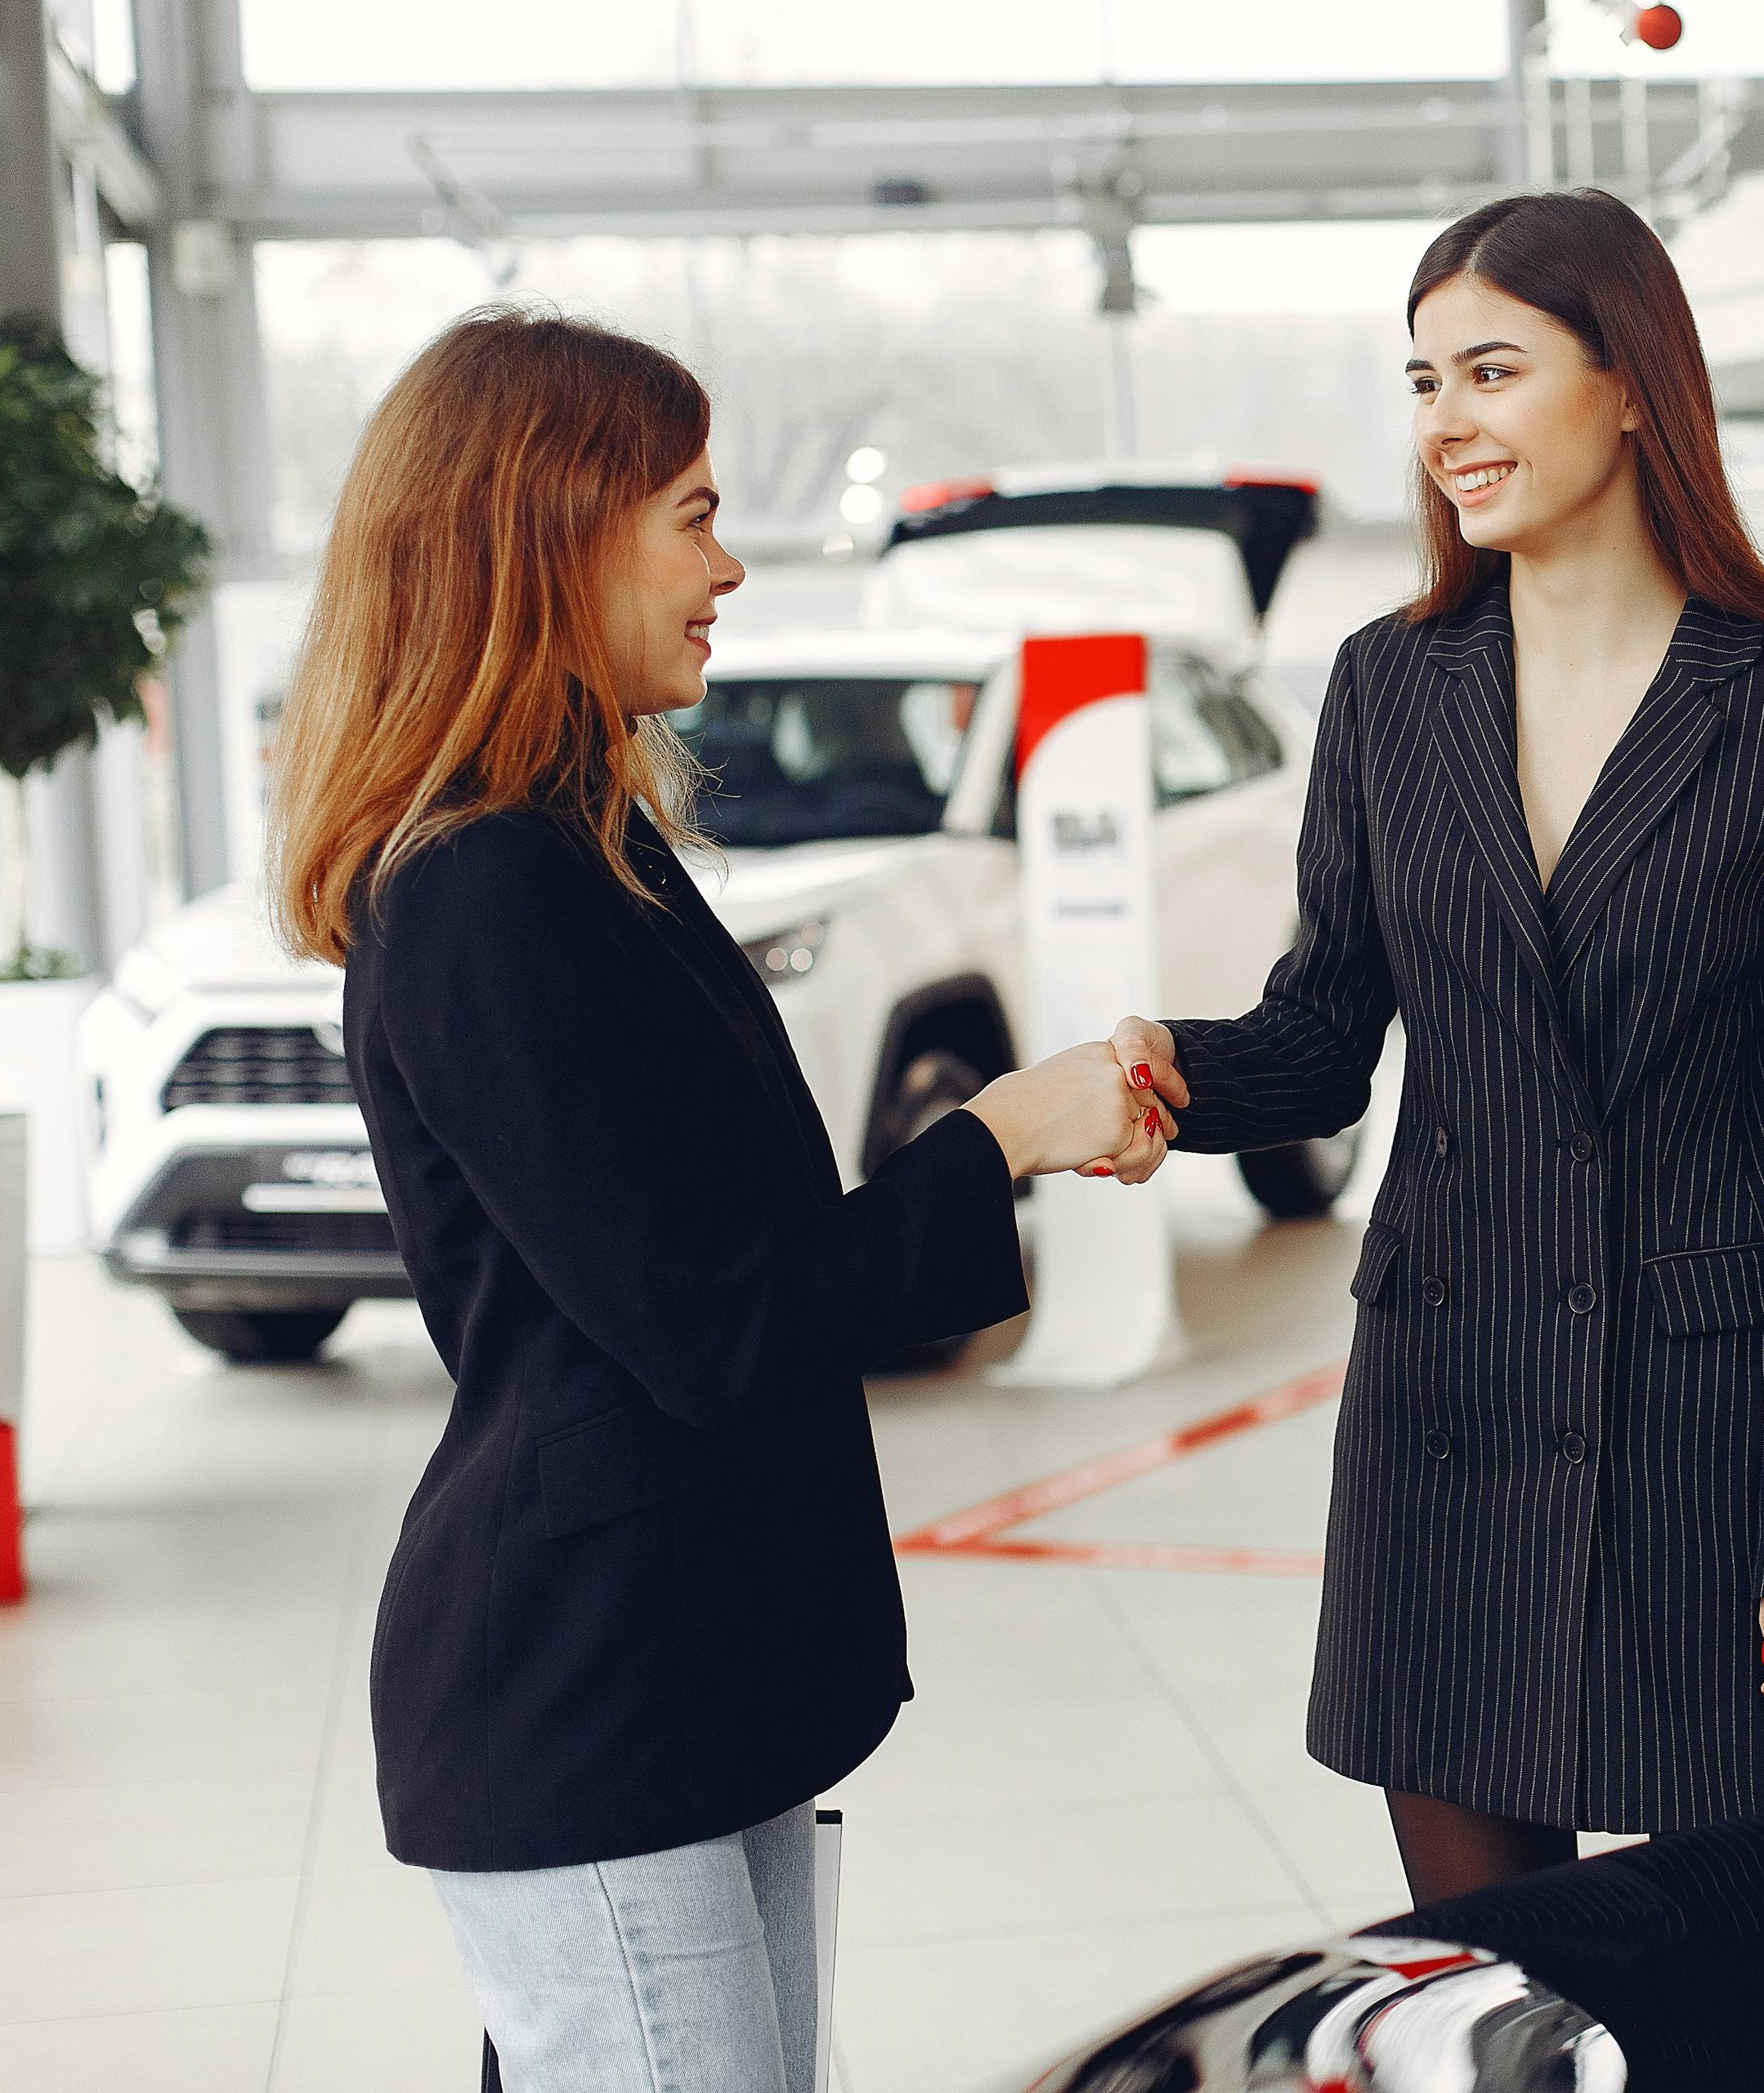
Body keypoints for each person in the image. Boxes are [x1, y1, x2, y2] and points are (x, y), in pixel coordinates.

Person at [266, 307, 1165, 2093]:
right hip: (592, 1700)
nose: (727, 562)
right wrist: (996, 1135)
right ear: (553, 528)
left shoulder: (576, 847)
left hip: (684, 1670)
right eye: (691, 511)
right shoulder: (484, 890)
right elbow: (718, 1314)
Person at [1097, 189, 1764, 1906]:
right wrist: (1166, 1070)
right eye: (1420, 381)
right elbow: (1328, 1031)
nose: (1446, 423)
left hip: (1703, 1435)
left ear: (1631, 385)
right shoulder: (1392, 685)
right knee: (1492, 1988)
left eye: (1490, 368)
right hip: (1446, 1423)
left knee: (1741, 1996)